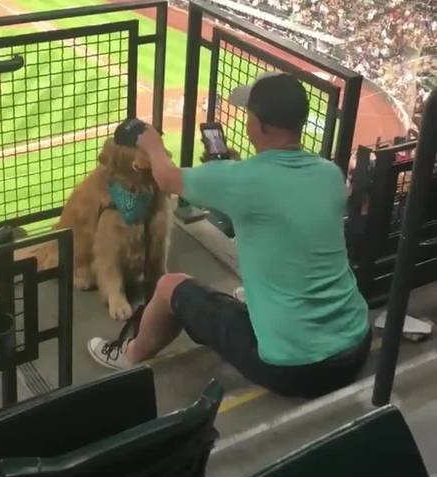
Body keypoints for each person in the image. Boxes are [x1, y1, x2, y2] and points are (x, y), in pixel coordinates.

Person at [88, 72, 371, 399]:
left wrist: (151, 144)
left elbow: (167, 180)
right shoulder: (329, 174)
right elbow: (281, 212)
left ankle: (129, 354)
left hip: (297, 370)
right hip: (356, 346)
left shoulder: (240, 180)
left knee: (169, 287)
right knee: (258, 281)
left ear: (259, 125)